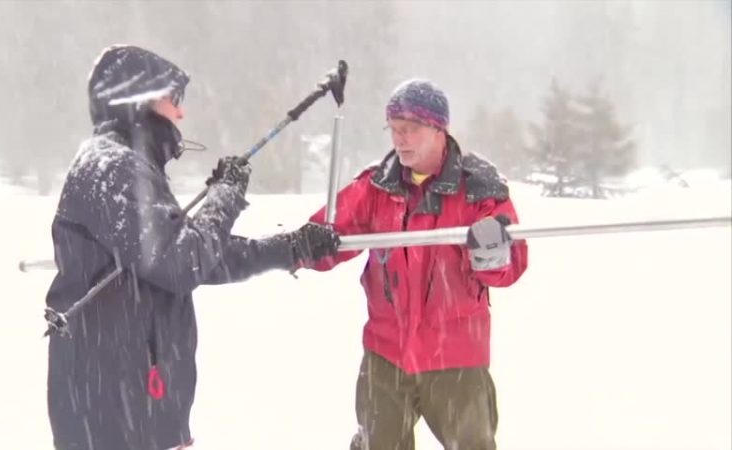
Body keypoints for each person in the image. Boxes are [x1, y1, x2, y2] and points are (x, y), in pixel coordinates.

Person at [45, 45, 339, 450]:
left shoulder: (128, 166)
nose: (181, 114)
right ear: (136, 98)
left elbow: (197, 257)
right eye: (174, 99)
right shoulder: (111, 168)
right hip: (114, 419)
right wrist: (225, 196)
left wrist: (288, 248)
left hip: (140, 411)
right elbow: (181, 262)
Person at [300, 79, 528, 450]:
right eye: (394, 129)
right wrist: (311, 242)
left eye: (411, 129)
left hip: (455, 355)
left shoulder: (479, 186)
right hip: (386, 353)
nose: (400, 139)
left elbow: (510, 266)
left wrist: (493, 254)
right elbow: (328, 236)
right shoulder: (377, 185)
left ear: (440, 129)